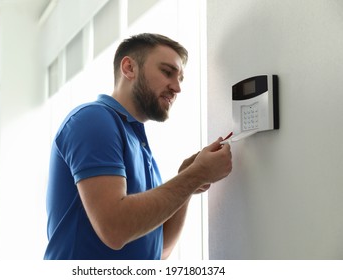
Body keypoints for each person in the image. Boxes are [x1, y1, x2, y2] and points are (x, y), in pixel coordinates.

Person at [44, 33, 232, 260]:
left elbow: (159, 251)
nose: (177, 87)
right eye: (167, 72)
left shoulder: (138, 143)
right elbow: (116, 229)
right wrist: (195, 175)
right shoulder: (93, 120)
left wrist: (189, 180)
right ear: (129, 68)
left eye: (180, 78)